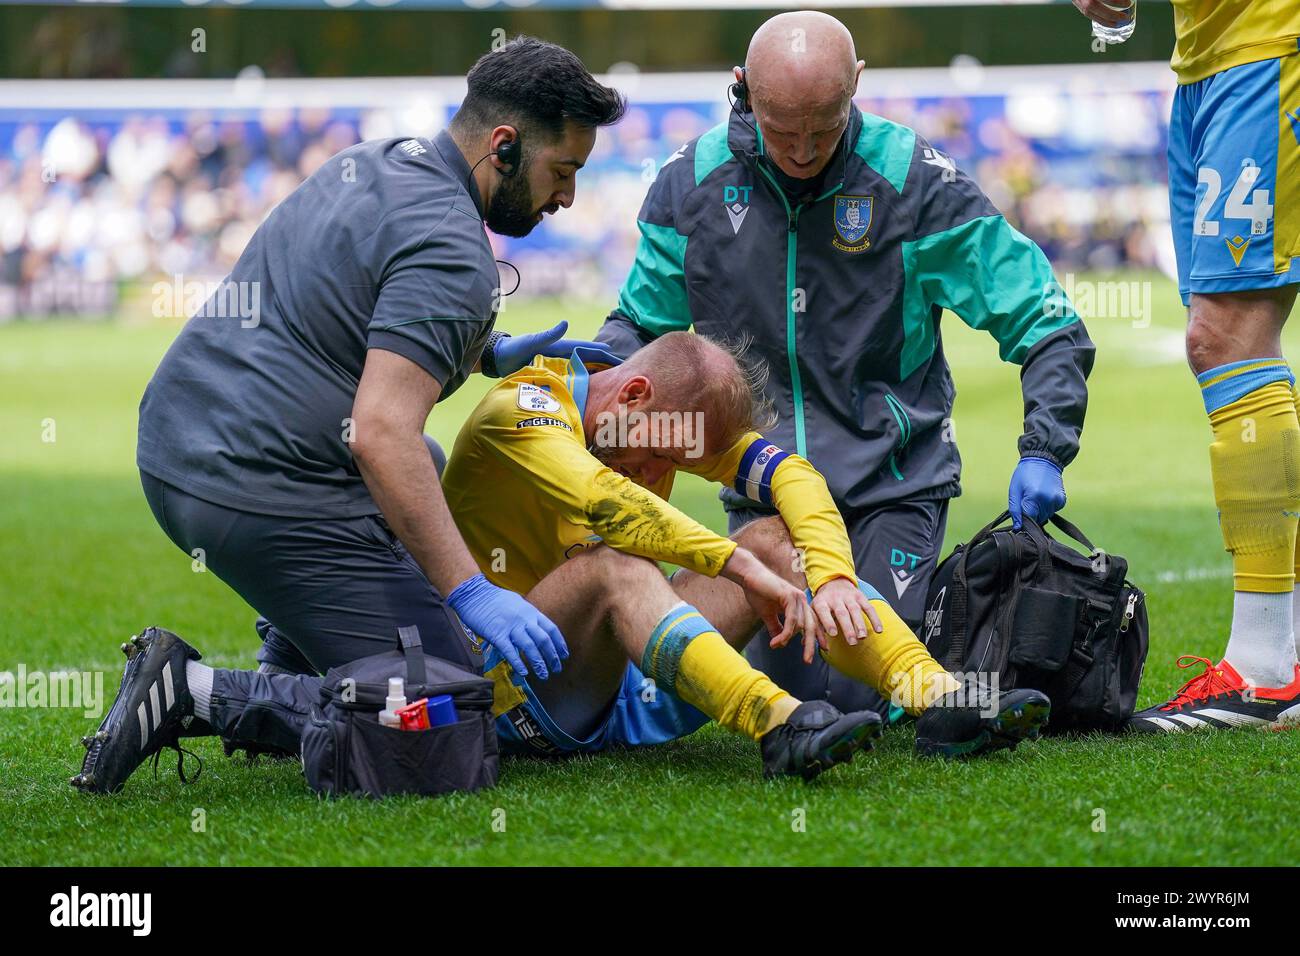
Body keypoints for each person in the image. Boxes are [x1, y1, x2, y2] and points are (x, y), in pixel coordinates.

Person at [72, 334, 1048, 793]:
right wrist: (737, 571)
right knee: (613, 565)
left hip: (606, 664)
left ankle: (934, 695)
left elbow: (785, 469)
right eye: (665, 452)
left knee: (776, 541)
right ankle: (779, 723)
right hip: (497, 676)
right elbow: (605, 506)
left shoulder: (646, 410)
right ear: (625, 393)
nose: (670, 475)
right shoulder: (518, 414)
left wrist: (826, 572)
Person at [72, 37, 627, 792]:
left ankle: (290, 652)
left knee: (425, 468)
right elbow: (378, 432)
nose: (565, 197)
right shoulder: (457, 249)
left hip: (179, 444)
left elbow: (347, 309)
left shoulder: (379, 158)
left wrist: (485, 351)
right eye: (561, 172)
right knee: (447, 715)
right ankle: (190, 692)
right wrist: (473, 591)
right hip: (255, 482)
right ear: (504, 146)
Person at [596, 10, 1094, 718]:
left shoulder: (917, 185)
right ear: (741, 89)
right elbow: (637, 326)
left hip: (891, 486)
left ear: (858, 85)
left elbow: (1045, 319)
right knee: (804, 688)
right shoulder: (690, 186)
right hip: (765, 498)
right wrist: (584, 398)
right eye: (782, 129)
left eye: (824, 128)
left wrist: (1046, 447)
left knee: (858, 691)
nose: (803, 150)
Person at [1073, 0, 1300, 730]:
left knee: (1226, 336)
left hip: (1270, 42)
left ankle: (1267, 669)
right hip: (1209, 57)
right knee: (1224, 335)